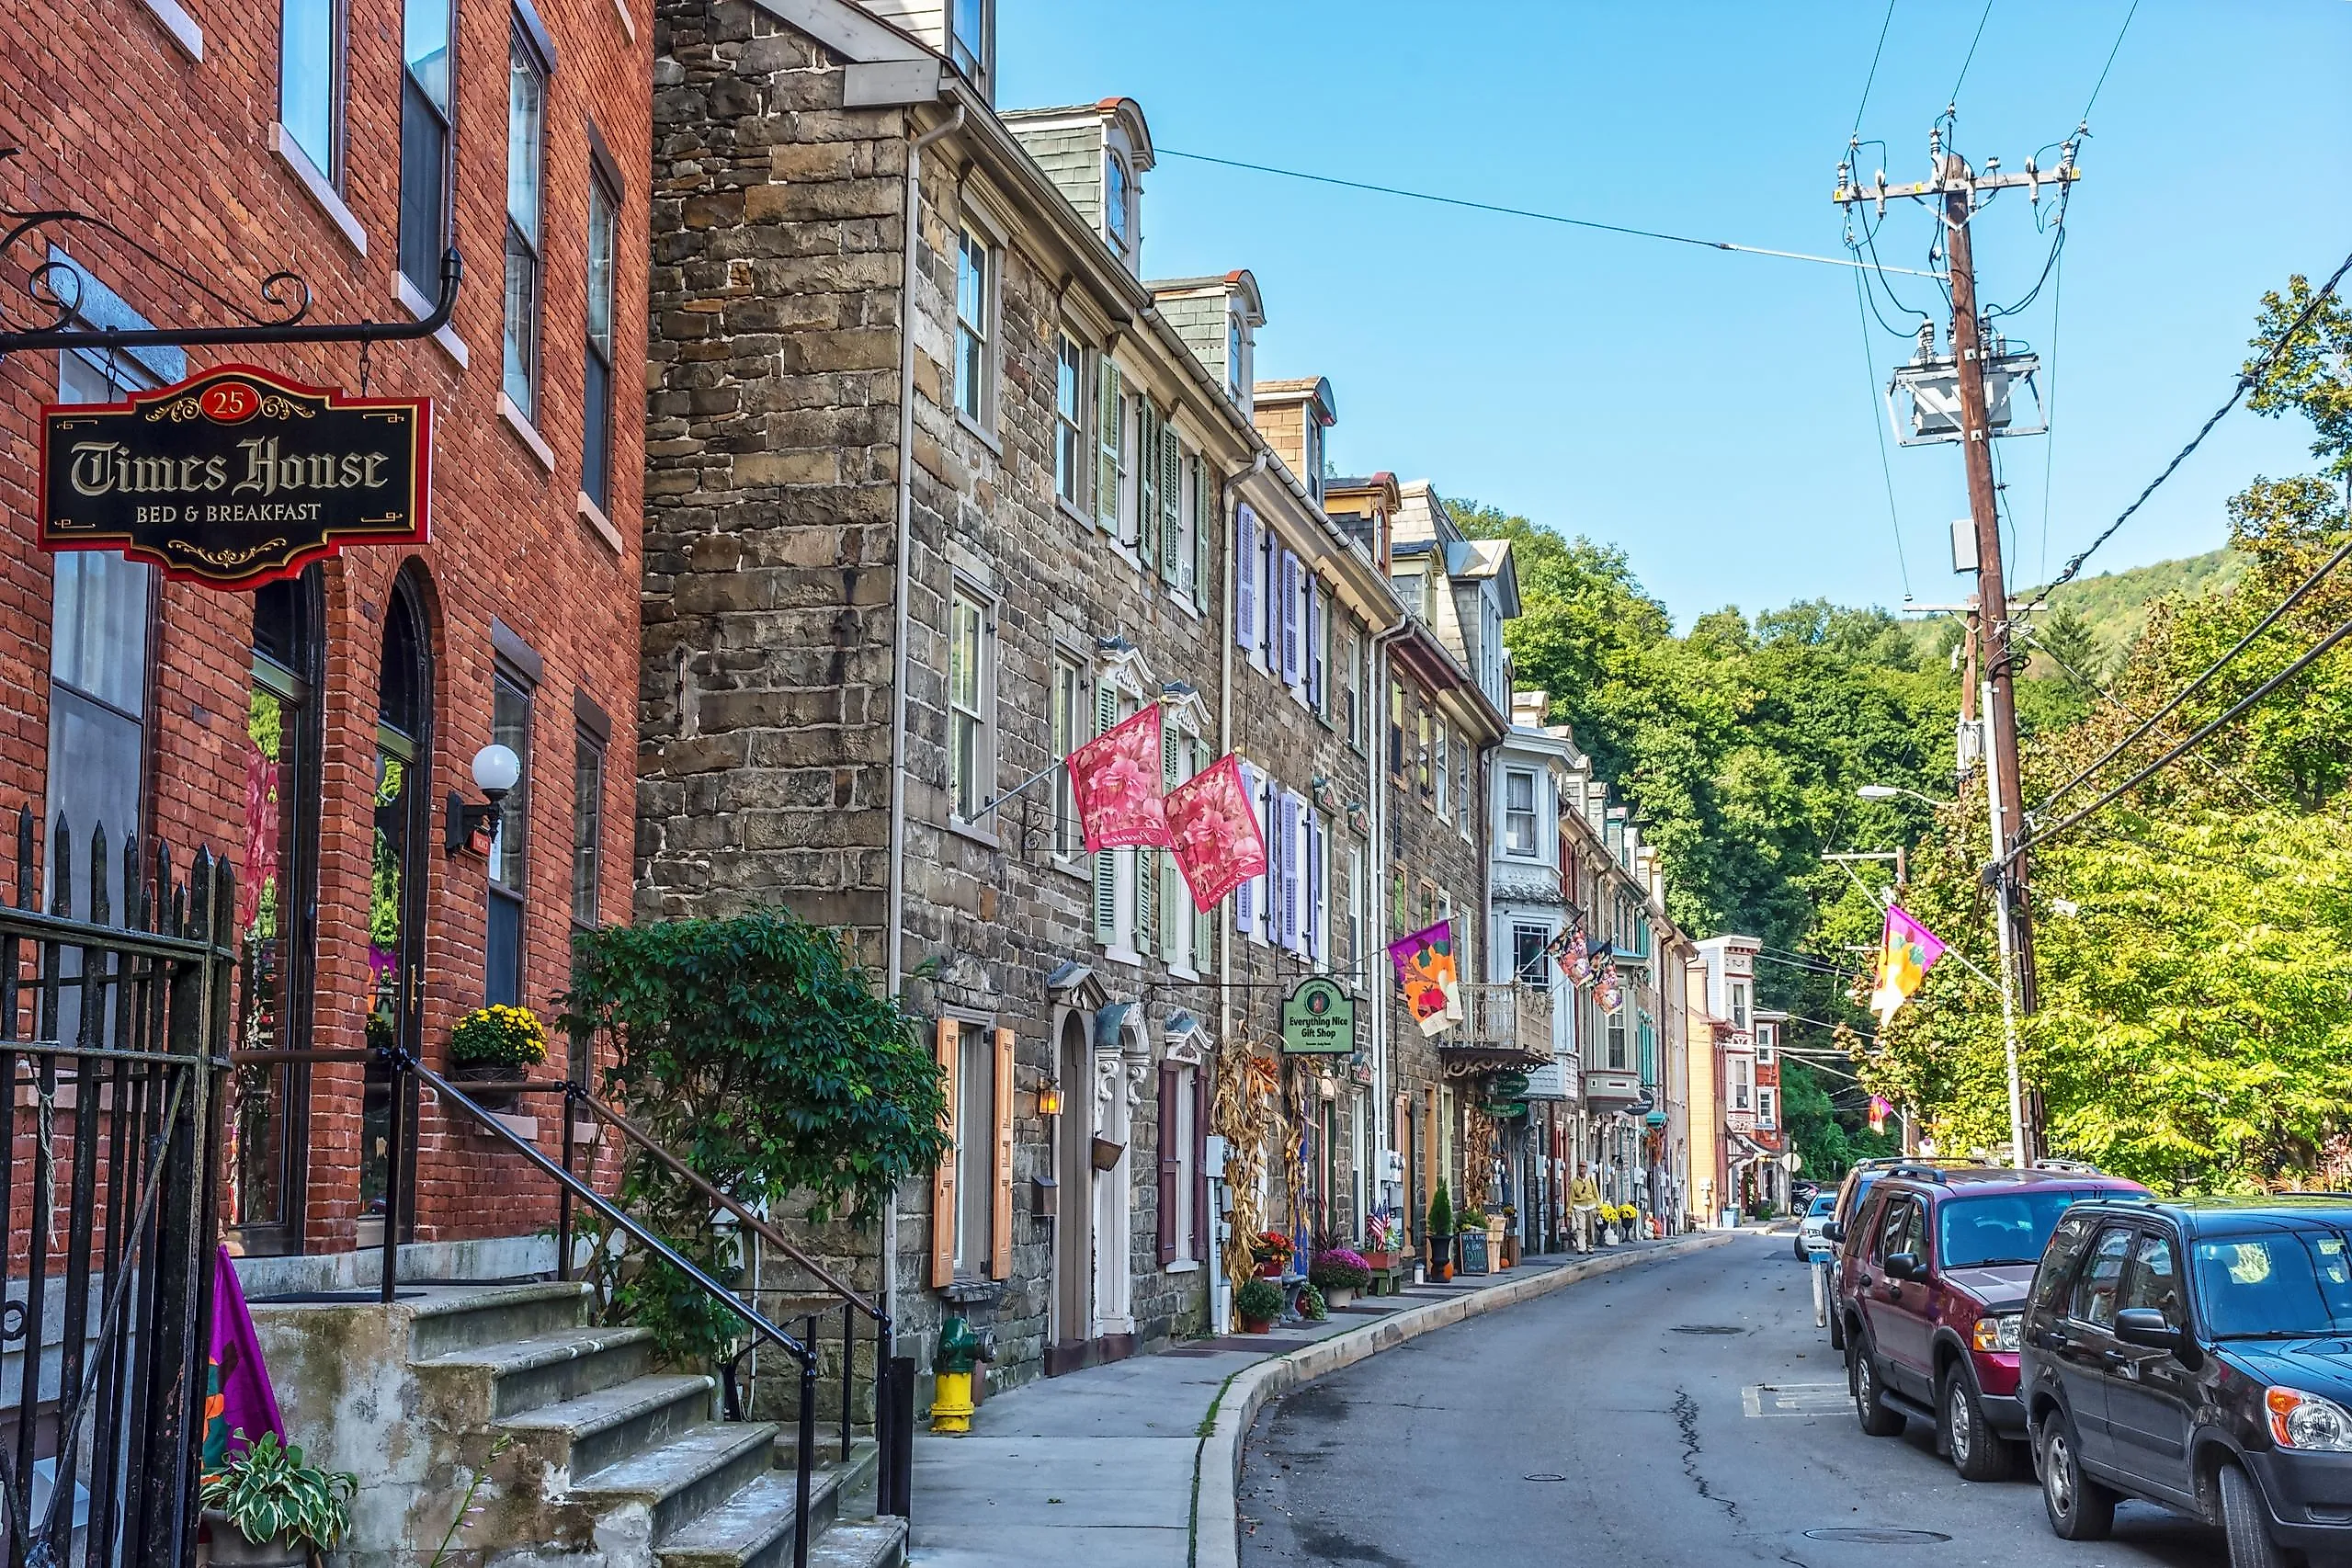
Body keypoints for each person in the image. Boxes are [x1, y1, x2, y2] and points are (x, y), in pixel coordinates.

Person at [1569, 1170, 1600, 1254]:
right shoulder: (1574, 1182)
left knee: (1590, 1228)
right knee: (1581, 1227)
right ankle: (1581, 1247)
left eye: (1583, 1167)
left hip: (1591, 1206)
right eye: (1580, 1167)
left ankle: (1590, 1246)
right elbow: (1571, 1197)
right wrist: (1569, 1210)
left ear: (1586, 1169)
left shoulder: (1590, 1180)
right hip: (1579, 1206)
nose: (1581, 1169)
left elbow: (1596, 1193)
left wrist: (1599, 1207)